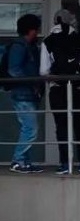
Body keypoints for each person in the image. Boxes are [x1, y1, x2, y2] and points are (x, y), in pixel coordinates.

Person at [40, 9, 80, 174]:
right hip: (78, 89)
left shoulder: (48, 41)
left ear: (55, 21)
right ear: (71, 21)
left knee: (61, 126)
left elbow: (43, 71)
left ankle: (64, 164)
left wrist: (56, 79)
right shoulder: (79, 38)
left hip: (57, 90)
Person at [7, 14, 43, 173]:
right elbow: (13, 69)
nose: (38, 32)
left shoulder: (30, 46)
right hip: (22, 94)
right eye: (37, 28)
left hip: (28, 94)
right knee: (31, 128)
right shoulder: (19, 46)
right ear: (31, 29)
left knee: (28, 128)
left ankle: (25, 161)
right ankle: (18, 160)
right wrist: (31, 82)